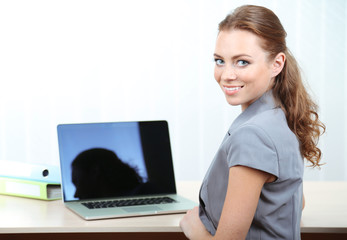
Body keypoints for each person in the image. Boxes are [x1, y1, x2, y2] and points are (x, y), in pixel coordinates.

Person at [179, 5, 325, 240]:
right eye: (219, 61)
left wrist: (194, 229)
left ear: (277, 64)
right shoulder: (280, 116)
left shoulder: (254, 134)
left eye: (242, 62)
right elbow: (295, 202)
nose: (226, 74)